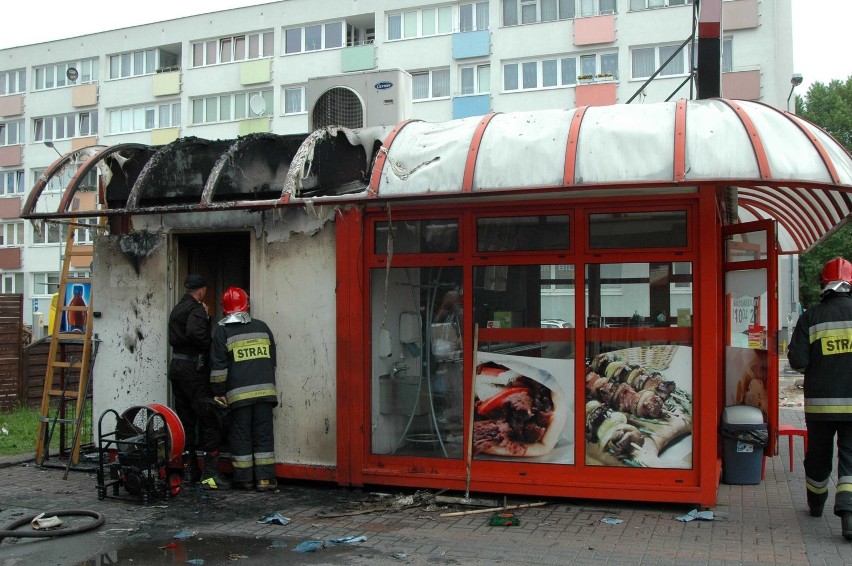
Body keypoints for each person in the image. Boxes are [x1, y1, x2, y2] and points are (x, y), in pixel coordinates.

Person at [788, 257, 852, 539]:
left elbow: (798, 361)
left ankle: (816, 504)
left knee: (818, 456)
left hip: (821, 406)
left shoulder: (811, 317)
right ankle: (848, 516)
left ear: (823, 285)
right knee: (850, 457)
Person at [210, 287, 279, 491]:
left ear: (224, 309)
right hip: (266, 393)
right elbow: (272, 361)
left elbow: (218, 369)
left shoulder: (222, 332)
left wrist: (218, 392)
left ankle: (244, 480)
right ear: (247, 305)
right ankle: (265, 480)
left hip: (239, 396)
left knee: (241, 435)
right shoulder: (262, 327)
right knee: (263, 434)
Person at [168, 274, 231, 490]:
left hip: (177, 368)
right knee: (208, 417)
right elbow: (196, 333)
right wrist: (208, 343)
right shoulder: (196, 309)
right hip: (193, 371)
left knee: (186, 420)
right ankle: (210, 474)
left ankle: (189, 471)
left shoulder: (177, 308)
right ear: (202, 290)